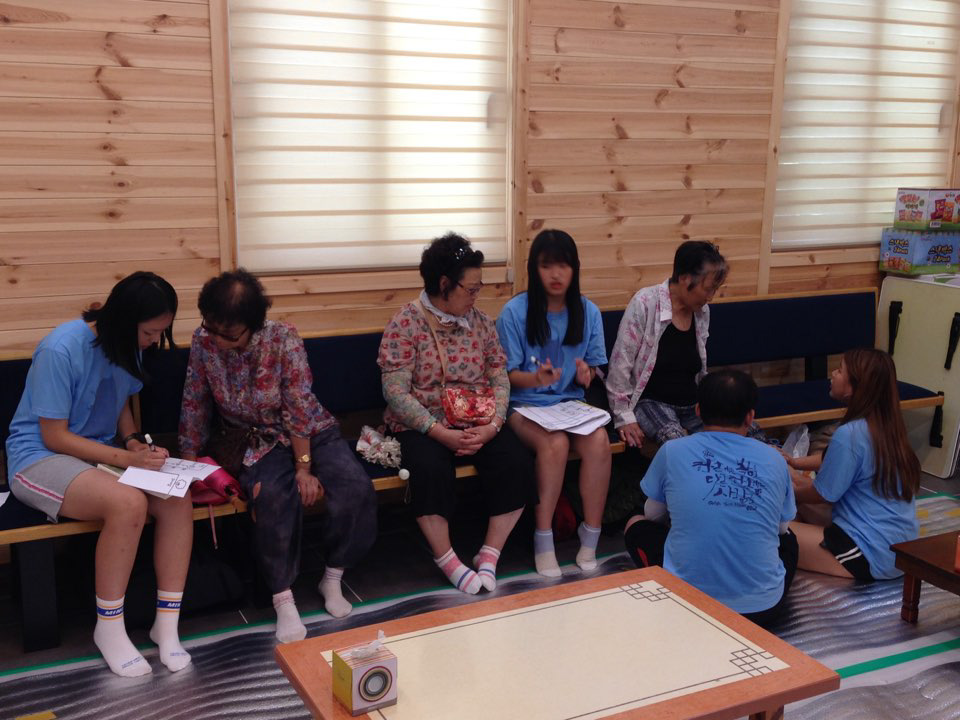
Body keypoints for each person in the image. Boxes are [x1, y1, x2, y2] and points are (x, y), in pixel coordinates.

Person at [6, 272, 192, 677]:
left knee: (177, 496)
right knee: (128, 503)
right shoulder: (60, 348)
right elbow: (54, 436)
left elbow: (118, 398)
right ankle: (109, 628)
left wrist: (133, 443)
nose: (153, 341)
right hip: (38, 458)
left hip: (99, 455)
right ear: (123, 321)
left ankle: (166, 626)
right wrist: (125, 459)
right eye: (148, 332)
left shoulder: (129, 344)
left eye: (159, 333)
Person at [178, 269, 377, 642]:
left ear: (253, 324)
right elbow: (194, 401)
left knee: (354, 487)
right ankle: (283, 598)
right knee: (271, 497)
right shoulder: (204, 341)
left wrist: (304, 468)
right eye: (211, 328)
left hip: (309, 429)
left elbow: (297, 405)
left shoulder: (283, 338)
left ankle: (333, 576)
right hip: (254, 438)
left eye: (229, 334)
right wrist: (187, 462)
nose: (217, 339)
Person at [378, 232, 535, 594]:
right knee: (429, 468)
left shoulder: (479, 322)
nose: (476, 296)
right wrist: (439, 432)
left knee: (516, 461)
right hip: (424, 424)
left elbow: (499, 375)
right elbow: (396, 393)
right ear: (444, 284)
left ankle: (490, 553)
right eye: (471, 289)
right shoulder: (406, 324)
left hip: (477, 419)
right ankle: (447, 558)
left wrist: (494, 425)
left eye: (479, 289)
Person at [624, 370, 798, 628]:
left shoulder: (672, 451)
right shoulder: (774, 459)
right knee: (789, 542)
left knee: (635, 524)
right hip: (763, 611)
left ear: (697, 411)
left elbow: (652, 514)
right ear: (750, 417)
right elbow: (782, 528)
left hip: (687, 606)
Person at [496, 229, 610, 577]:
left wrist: (587, 374)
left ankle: (590, 536)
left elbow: (594, 367)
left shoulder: (588, 311)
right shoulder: (515, 312)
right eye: (547, 266)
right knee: (555, 444)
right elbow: (506, 376)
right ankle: (543, 538)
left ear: (575, 269)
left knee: (599, 441)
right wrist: (536, 379)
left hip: (570, 405)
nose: (556, 274)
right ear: (534, 269)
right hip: (524, 407)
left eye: (563, 266)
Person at [790, 349, 920, 581]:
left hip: (871, 553)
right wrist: (792, 464)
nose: (833, 373)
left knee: (770, 534)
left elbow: (822, 494)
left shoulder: (849, 434)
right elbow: (834, 460)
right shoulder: (887, 427)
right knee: (796, 498)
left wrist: (787, 485)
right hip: (902, 550)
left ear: (853, 387)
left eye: (840, 370)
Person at [606, 241, 728, 449]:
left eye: (714, 290)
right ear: (684, 278)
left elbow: (699, 369)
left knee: (736, 433)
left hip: (691, 402)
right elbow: (620, 364)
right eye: (708, 289)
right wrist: (623, 416)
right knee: (680, 446)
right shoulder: (645, 302)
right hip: (650, 402)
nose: (710, 297)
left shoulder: (701, 311)